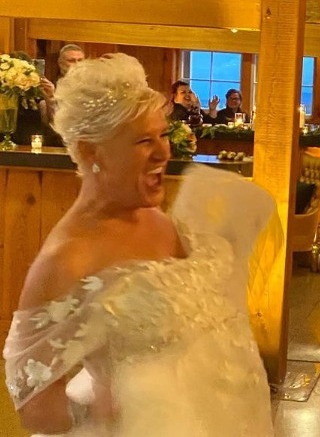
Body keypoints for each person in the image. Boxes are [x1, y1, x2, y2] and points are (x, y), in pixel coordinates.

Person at [3, 53, 280, 436]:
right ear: (89, 151)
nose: (163, 153)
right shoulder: (67, 258)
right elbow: (34, 402)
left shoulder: (154, 215)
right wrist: (106, 412)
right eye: (142, 141)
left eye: (163, 135)